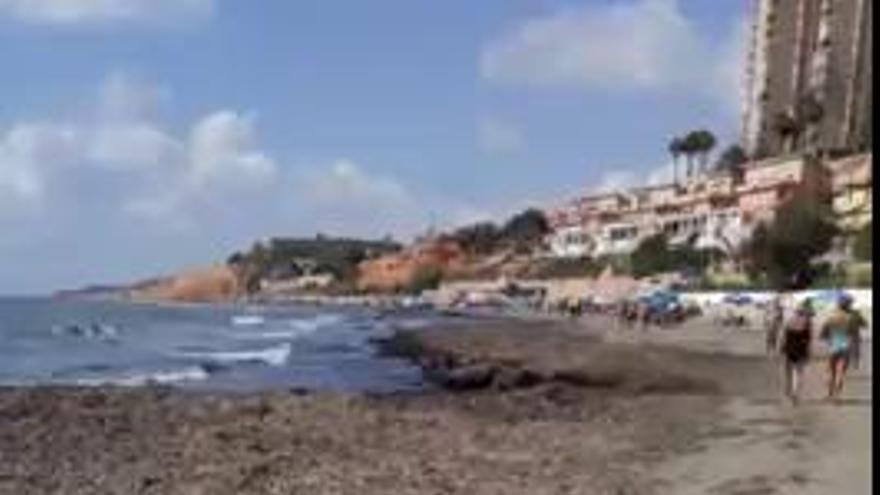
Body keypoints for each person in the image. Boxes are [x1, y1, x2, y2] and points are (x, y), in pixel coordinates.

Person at [820, 294, 866, 403]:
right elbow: (862, 327)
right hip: (847, 346)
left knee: (831, 372)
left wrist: (829, 338)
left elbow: (823, 334)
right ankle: (837, 396)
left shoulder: (832, 316)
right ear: (849, 304)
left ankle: (829, 394)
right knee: (841, 372)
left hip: (833, 345)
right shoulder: (853, 316)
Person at [779, 298, 814, 405]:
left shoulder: (789, 321)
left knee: (788, 373)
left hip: (789, 349)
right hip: (801, 349)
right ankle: (796, 394)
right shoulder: (807, 322)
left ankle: (788, 392)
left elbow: (783, 336)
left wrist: (781, 347)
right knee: (799, 374)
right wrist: (809, 351)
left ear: (796, 311)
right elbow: (809, 339)